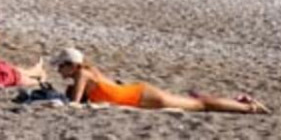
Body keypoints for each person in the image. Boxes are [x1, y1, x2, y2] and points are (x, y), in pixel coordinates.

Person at [52, 48, 269, 113]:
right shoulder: (90, 70)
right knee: (195, 102)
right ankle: (239, 101)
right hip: (139, 92)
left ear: (72, 65)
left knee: (199, 105)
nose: (58, 69)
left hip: (141, 96)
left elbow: (74, 105)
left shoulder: (82, 74)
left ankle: (248, 107)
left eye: (60, 65)